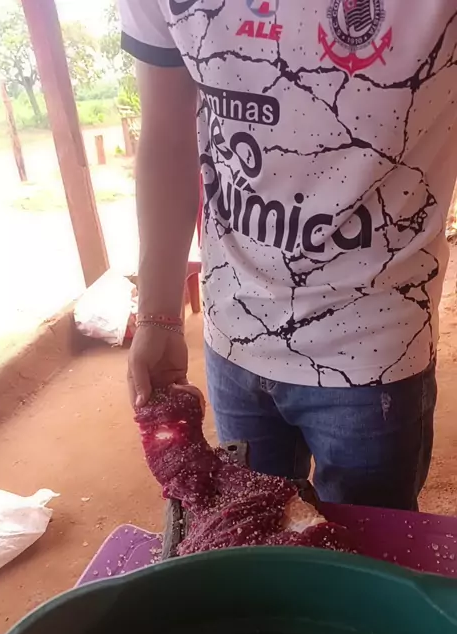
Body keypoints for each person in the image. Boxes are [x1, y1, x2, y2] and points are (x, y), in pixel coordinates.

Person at [119, 0, 457, 510]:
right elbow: (167, 134)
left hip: (373, 353)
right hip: (233, 331)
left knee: (364, 552)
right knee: (251, 536)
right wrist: (157, 315)